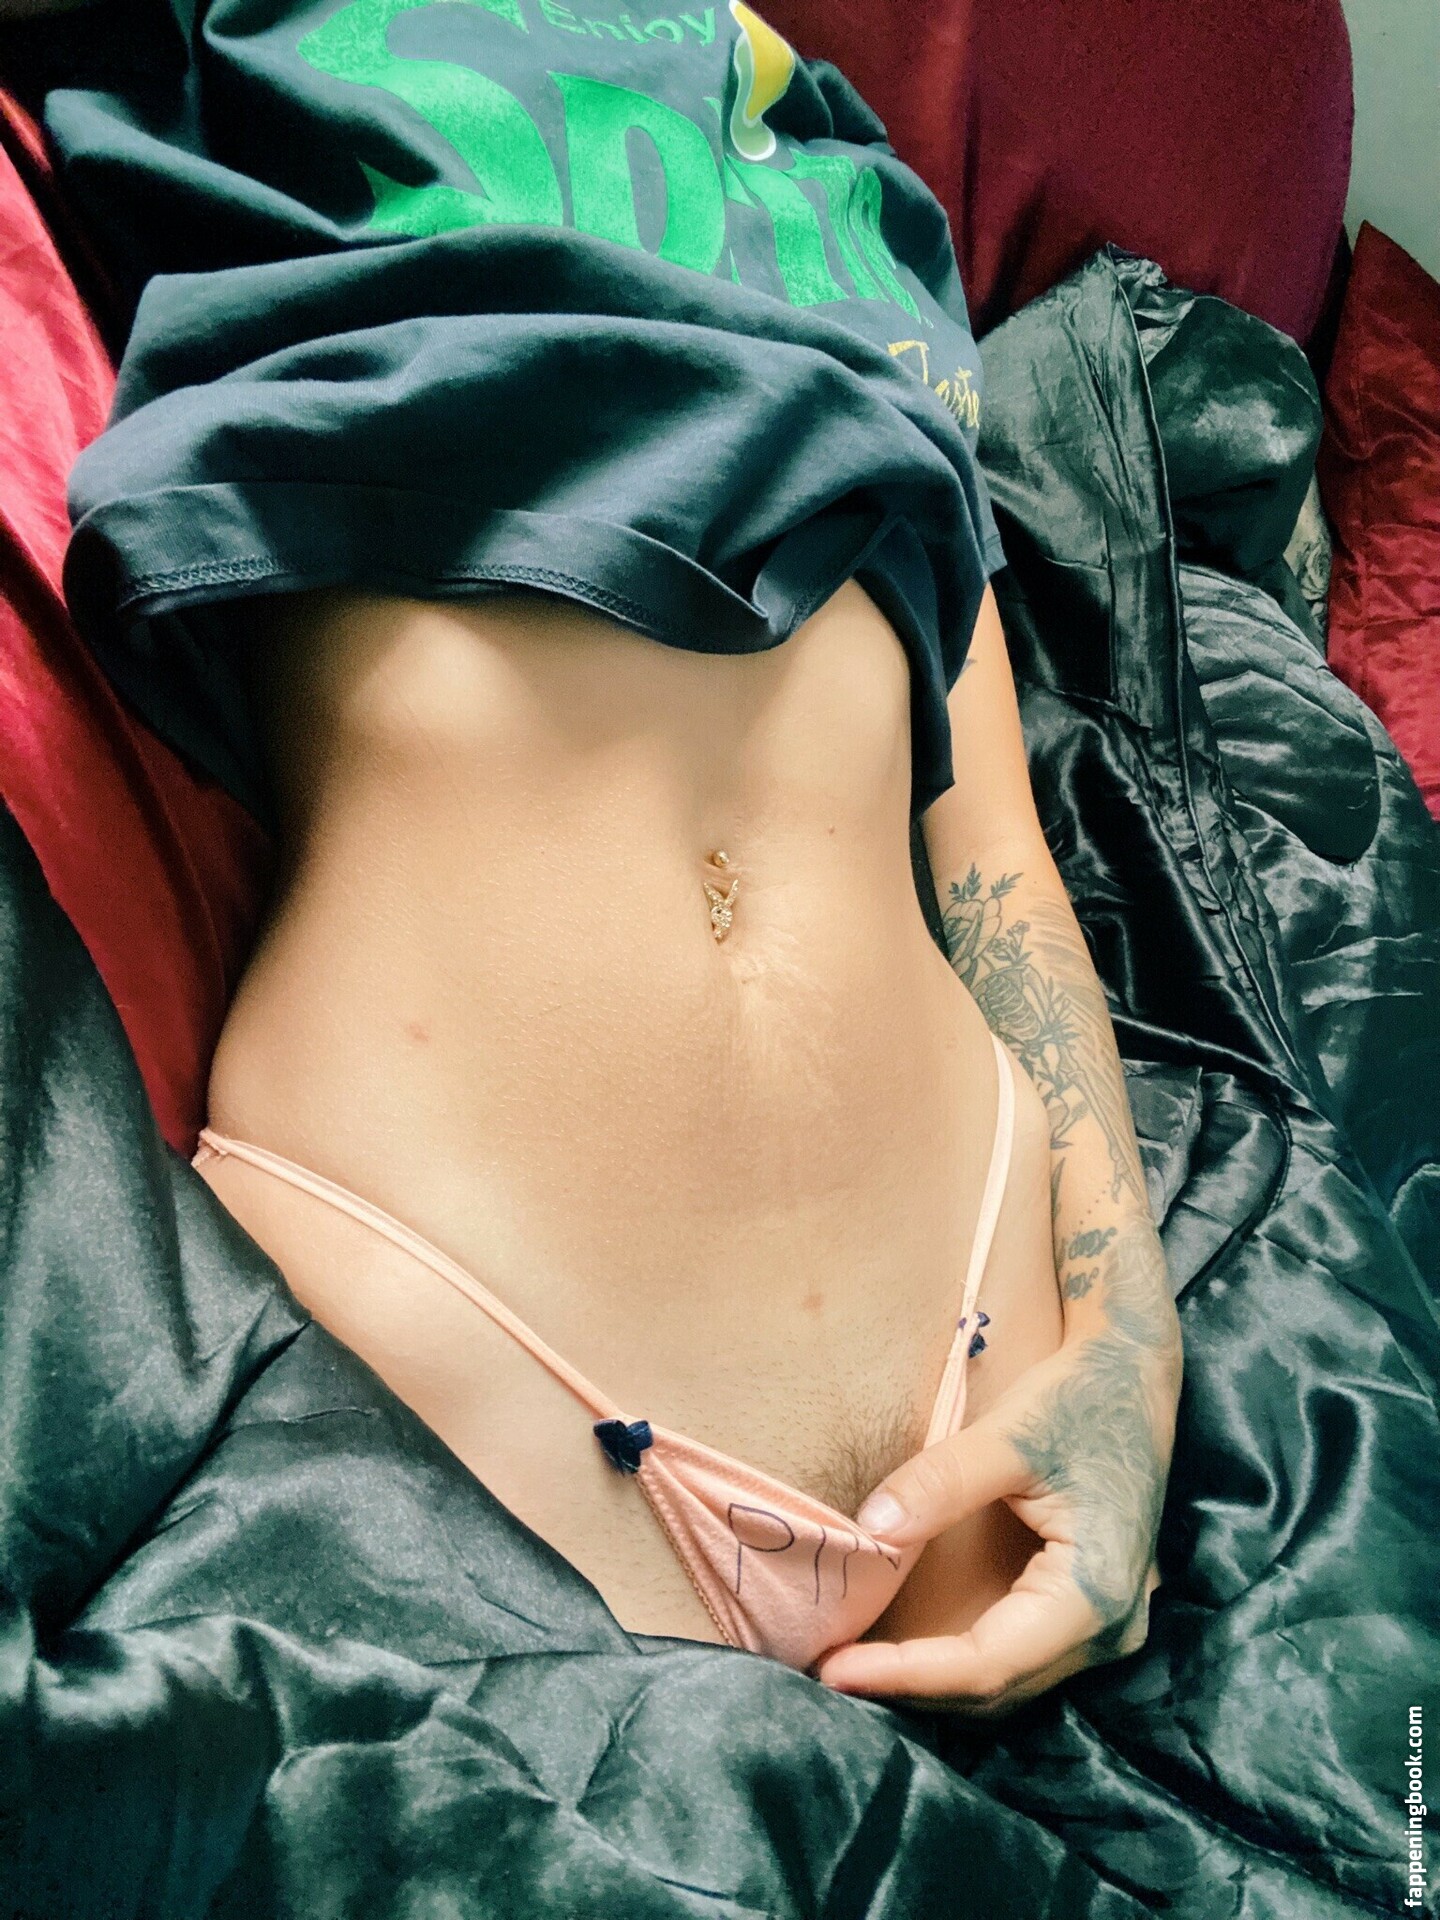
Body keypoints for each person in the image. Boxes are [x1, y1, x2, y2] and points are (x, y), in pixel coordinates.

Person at [3, 0, 1181, 1709]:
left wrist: (1131, 1335)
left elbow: (995, 849)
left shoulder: (859, 186)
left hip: (981, 1384)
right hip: (467, 1348)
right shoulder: (274, 27)